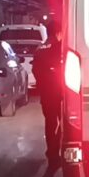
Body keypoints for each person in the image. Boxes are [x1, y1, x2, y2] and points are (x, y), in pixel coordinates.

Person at [32, 20, 63, 166]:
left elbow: (35, 70)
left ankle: (51, 152)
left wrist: (43, 85)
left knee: (50, 123)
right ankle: (55, 151)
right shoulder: (60, 47)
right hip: (60, 92)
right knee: (64, 123)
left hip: (46, 93)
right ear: (58, 32)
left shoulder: (40, 48)